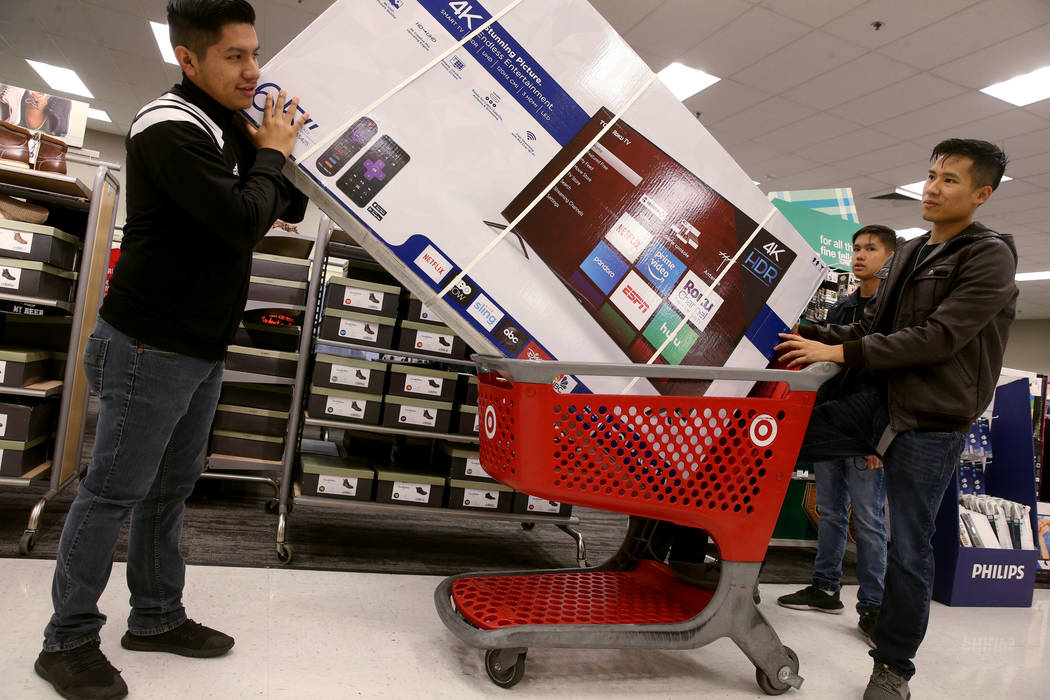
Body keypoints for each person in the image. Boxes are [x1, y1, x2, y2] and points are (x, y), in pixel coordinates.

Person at [34, 1, 309, 698]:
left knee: (170, 489)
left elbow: (291, 204)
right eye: (234, 57)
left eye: (254, 53)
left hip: (198, 347)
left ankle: (156, 616)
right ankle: (65, 640)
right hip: (148, 346)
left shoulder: (224, 125)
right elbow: (247, 216)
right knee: (111, 493)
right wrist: (271, 153)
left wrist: (266, 150)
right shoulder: (168, 128)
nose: (253, 71)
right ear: (188, 59)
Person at [775, 138, 1017, 700]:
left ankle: (893, 667)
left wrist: (840, 355)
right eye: (932, 174)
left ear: (981, 194)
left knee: (911, 547)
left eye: (951, 179)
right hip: (877, 401)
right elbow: (873, 331)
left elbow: (939, 338)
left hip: (932, 421)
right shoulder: (908, 251)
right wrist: (809, 335)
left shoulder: (989, 255)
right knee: (768, 445)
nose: (933, 187)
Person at [777, 225, 897, 646]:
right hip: (833, 421)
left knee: (866, 520)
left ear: (891, 257)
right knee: (829, 510)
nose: (860, 255)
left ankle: (873, 606)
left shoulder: (891, 310)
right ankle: (826, 588)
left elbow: (891, 378)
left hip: (868, 430)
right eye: (856, 248)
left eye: (871, 249)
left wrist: (881, 442)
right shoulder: (844, 308)